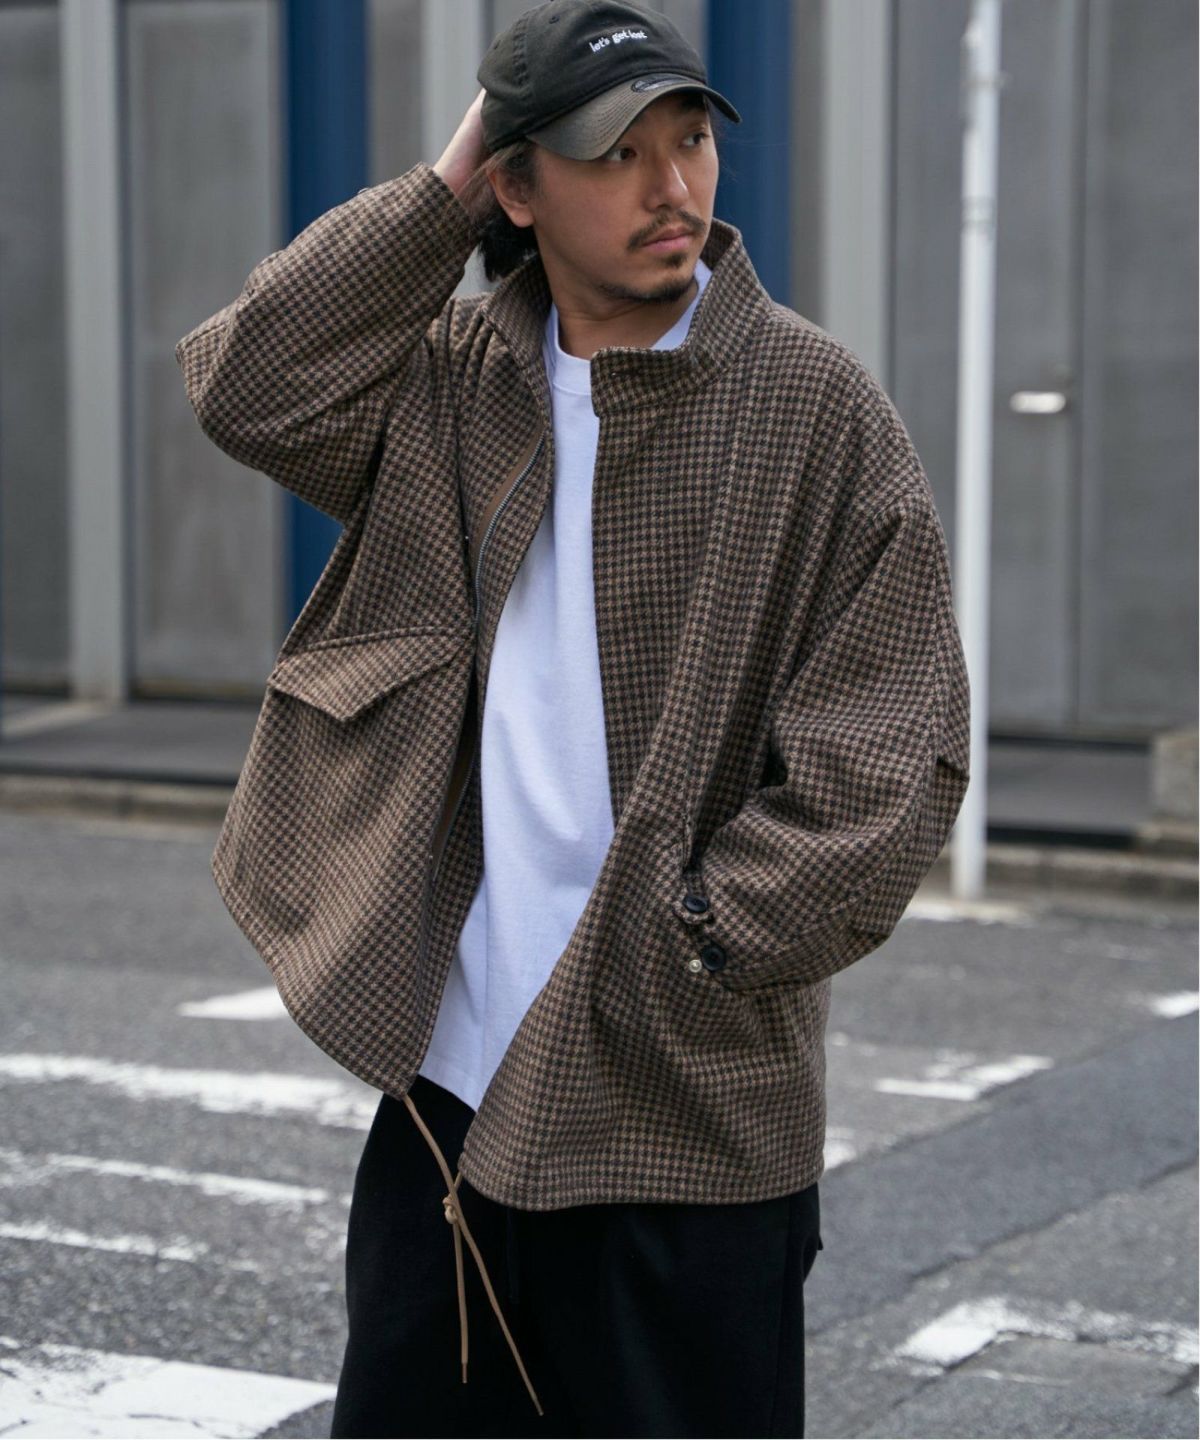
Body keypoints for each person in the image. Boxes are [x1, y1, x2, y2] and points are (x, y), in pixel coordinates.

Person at [174, 2, 971, 1435]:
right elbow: (250, 385)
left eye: (691, 141)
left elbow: (892, 748)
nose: (674, 187)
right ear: (520, 188)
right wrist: (445, 188)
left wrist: (698, 941)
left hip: (684, 1111)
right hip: (449, 1096)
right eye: (616, 155)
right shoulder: (454, 378)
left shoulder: (812, 407)